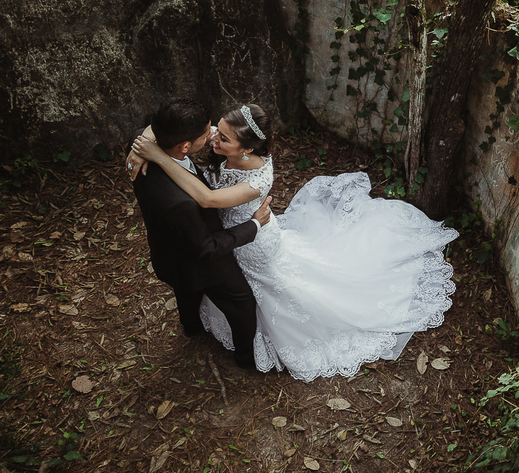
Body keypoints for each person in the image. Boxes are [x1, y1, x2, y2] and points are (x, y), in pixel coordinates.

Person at [129, 103, 457, 382]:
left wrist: (157, 155)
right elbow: (168, 125)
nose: (214, 137)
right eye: (215, 131)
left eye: (223, 137)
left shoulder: (259, 178)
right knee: (232, 288)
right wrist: (143, 143)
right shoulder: (222, 139)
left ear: (246, 149)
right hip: (227, 240)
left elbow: (208, 199)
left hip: (255, 244)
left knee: (276, 290)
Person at [128, 99, 272, 371]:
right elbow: (206, 233)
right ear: (185, 146)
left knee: (185, 288)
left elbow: (146, 130)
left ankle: (191, 326)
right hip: (203, 255)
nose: (212, 137)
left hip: (168, 250)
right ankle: (246, 359)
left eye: (219, 135)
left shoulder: (141, 143)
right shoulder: (180, 202)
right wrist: (254, 224)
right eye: (208, 134)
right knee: (241, 301)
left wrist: (146, 148)